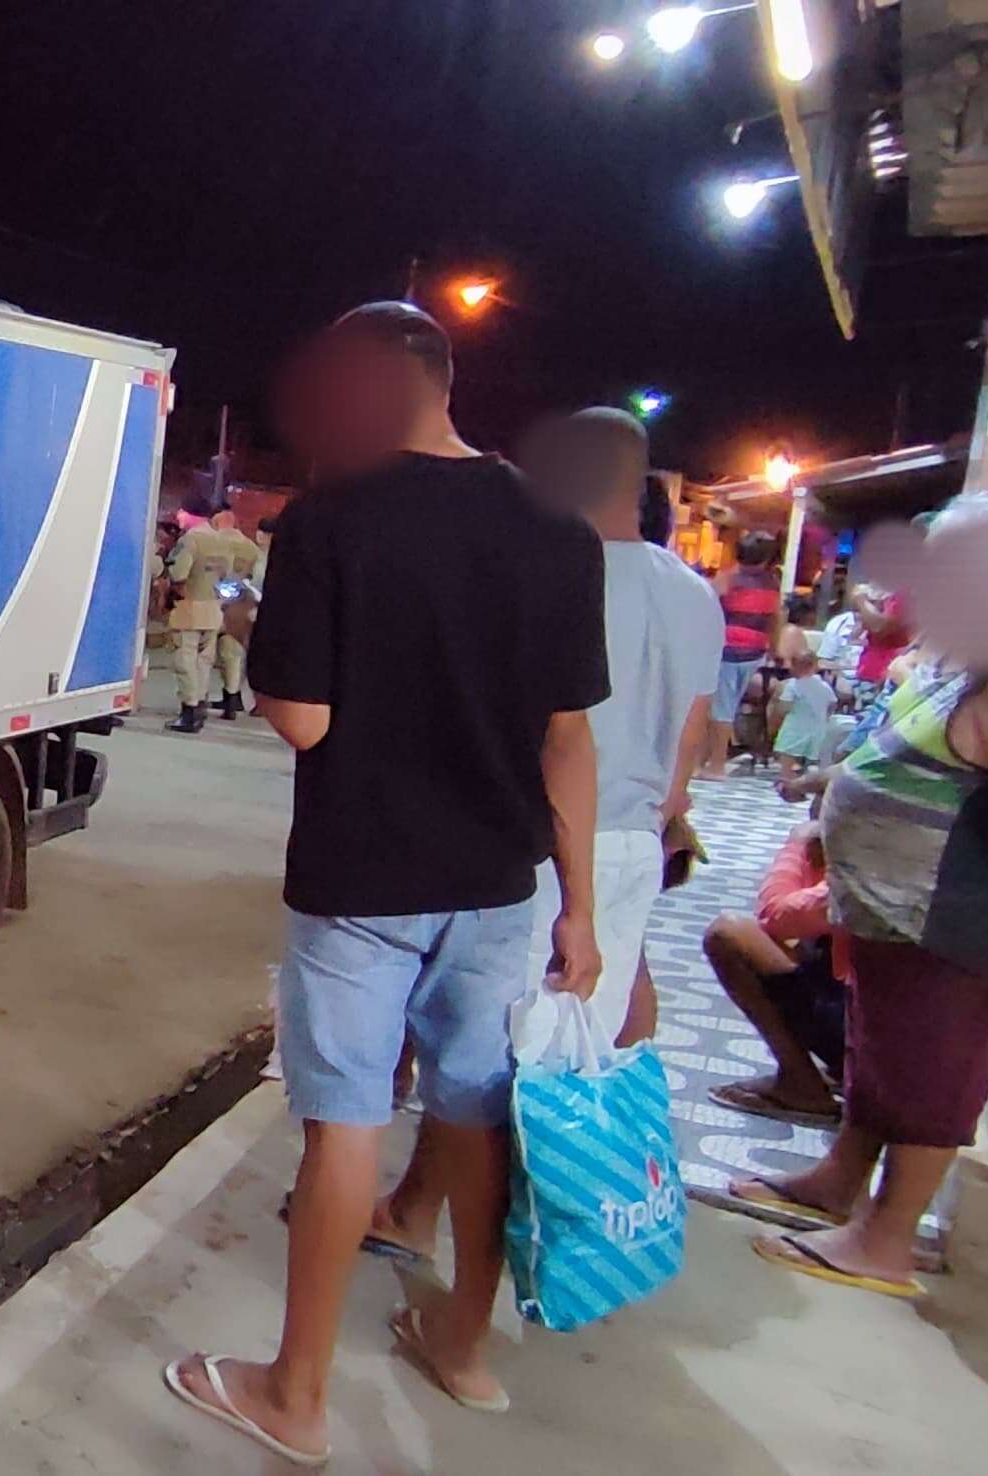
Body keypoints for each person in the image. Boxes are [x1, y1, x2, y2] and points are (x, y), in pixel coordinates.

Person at [160, 304, 608, 1464]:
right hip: (499, 885)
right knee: (474, 1109)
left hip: (362, 878)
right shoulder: (555, 526)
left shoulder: (331, 521)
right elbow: (569, 739)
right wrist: (585, 909)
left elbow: (303, 723)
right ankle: (462, 1350)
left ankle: (293, 1397)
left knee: (346, 1119)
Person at [369, 408, 719, 1260]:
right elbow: (692, 747)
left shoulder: (555, 572)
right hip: (636, 843)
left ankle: (447, 1238)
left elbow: (547, 738)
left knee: (488, 1054)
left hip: (554, 846)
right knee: (557, 1055)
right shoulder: (691, 591)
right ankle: (470, 1218)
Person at [744, 502, 988, 1300]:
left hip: (954, 922)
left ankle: (885, 1241)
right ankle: (838, 1186)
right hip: (901, 918)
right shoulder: (981, 662)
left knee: (930, 1081)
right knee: (886, 1064)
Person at [707, 820, 845, 1128]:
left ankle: (801, 1084)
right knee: (807, 944)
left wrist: (796, 846)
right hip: (897, 1037)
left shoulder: (868, 874)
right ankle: (839, 1073)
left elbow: (775, 914)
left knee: (728, 935)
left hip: (869, 1035)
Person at [164, 506, 265, 733]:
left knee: (185, 659)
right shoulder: (221, 542)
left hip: (189, 610)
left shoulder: (191, 540)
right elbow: (227, 576)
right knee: (204, 661)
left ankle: (189, 710)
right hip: (214, 610)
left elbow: (179, 574)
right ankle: (200, 702)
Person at [705, 533, 782, 775]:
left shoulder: (729, 578)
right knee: (728, 705)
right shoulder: (772, 584)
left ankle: (716, 765)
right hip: (756, 653)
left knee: (720, 708)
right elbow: (776, 619)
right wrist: (774, 649)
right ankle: (712, 761)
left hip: (726, 650)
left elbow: (706, 603)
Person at [769, 658, 838, 781]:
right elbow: (833, 703)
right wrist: (826, 717)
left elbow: (784, 706)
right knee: (813, 755)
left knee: (787, 752)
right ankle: (807, 777)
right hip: (817, 726)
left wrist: (777, 716)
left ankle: (786, 776)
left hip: (795, 724)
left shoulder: (793, 685)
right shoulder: (824, 685)